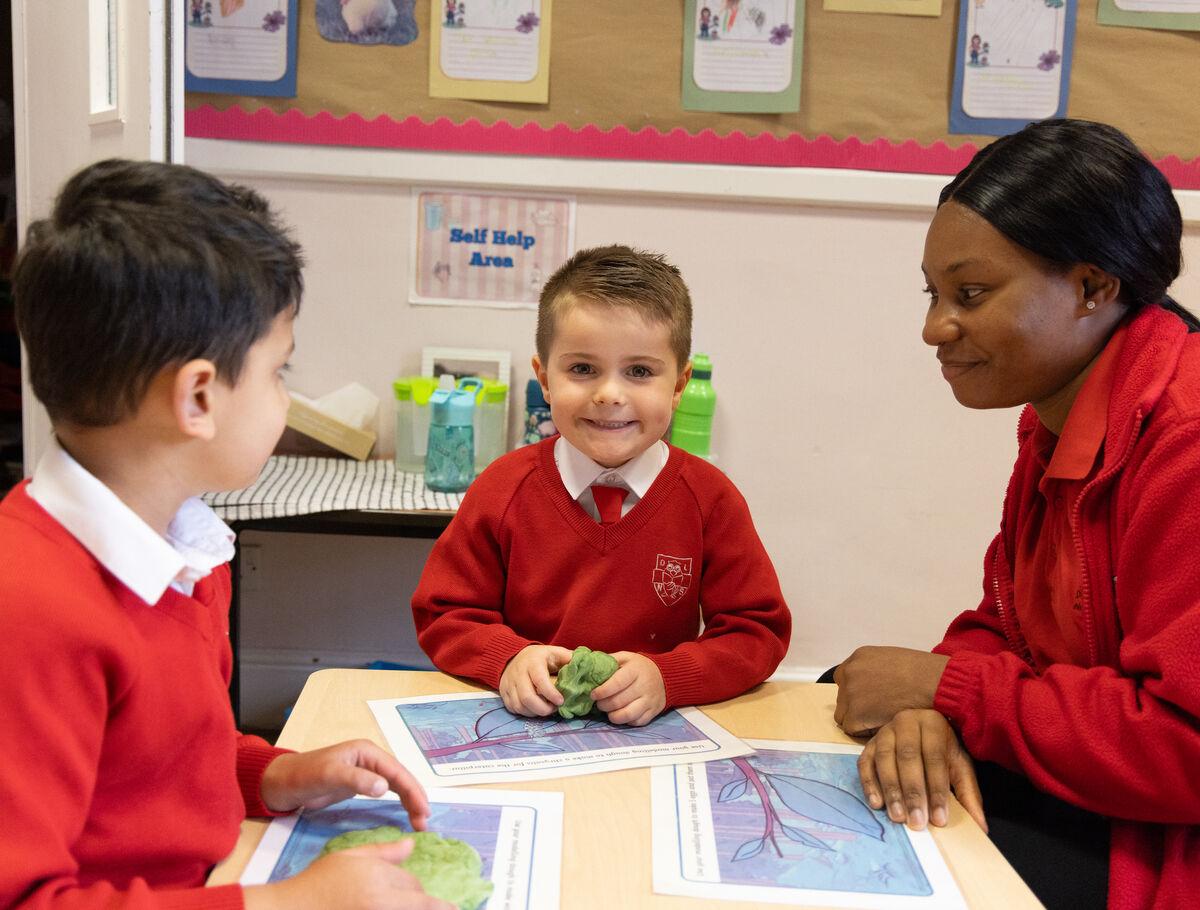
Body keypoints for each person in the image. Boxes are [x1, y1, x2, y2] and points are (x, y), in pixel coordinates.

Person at [0, 159, 451, 910]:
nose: (286, 396)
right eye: (280, 371)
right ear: (199, 397)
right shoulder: (32, 608)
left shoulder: (185, 550)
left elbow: (154, 773)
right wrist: (288, 903)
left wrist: (269, 775)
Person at [830, 119, 1200, 909]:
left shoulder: (1184, 443)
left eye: (971, 294)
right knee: (855, 708)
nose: (935, 327)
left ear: (1094, 288)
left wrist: (952, 696)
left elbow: (1186, 748)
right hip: (1101, 779)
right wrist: (927, 708)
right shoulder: (1059, 415)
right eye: (933, 294)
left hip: (1163, 833)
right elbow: (1012, 621)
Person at [412, 245, 791, 726]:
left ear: (678, 385)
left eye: (639, 371)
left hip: (658, 733)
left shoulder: (710, 499)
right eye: (582, 368)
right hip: (521, 729)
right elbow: (444, 611)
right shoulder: (501, 489)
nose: (609, 394)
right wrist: (506, 657)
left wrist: (670, 676)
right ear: (544, 380)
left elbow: (756, 632)